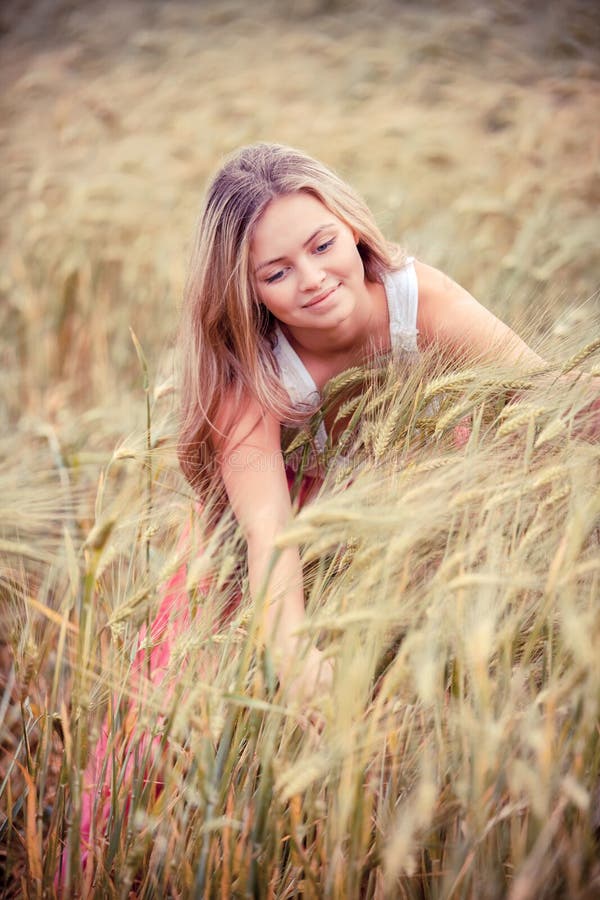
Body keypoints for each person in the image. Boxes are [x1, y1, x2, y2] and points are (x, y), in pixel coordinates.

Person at [78, 142, 596, 882]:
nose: (313, 279)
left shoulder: (421, 301)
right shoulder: (248, 379)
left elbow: (555, 405)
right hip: (278, 548)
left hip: (410, 524)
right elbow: (269, 534)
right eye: (276, 273)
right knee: (183, 719)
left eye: (321, 246)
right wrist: (292, 654)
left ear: (352, 227)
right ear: (247, 290)